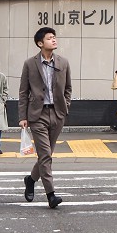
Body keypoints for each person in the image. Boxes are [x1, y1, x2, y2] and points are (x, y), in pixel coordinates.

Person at [18, 27, 71, 209]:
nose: (54, 40)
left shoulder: (63, 63)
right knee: (45, 155)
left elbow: (68, 89)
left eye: (54, 37)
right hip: (37, 115)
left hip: (57, 114)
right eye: (50, 38)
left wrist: (65, 107)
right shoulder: (30, 63)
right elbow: (23, 92)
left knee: (45, 155)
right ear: (41, 43)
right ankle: (51, 194)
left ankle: (31, 179)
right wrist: (22, 116)